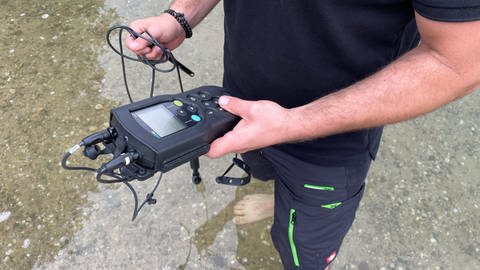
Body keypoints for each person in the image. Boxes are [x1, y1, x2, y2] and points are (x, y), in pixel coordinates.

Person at [126, 1, 480, 269]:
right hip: (238, 103)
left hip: (329, 147)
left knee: (302, 256)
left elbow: (458, 63)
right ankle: (276, 198)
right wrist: (180, 16)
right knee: (261, 170)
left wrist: (292, 123)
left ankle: (282, 207)